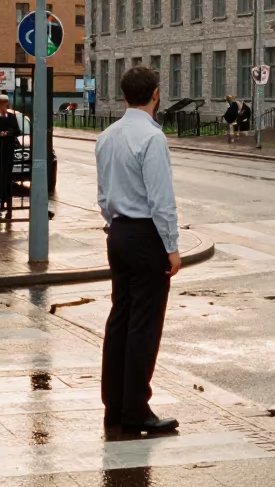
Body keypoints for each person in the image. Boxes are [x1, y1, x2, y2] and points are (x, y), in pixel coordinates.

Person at [96, 65, 181, 435]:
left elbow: (103, 194)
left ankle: (114, 406)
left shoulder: (107, 136)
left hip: (117, 233)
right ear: (156, 94)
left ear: (124, 95)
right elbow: (161, 200)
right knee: (144, 326)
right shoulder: (151, 138)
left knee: (120, 320)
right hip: (146, 237)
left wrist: (114, 223)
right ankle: (137, 408)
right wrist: (172, 247)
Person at [0, 94, 20, 220]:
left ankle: (8, 204)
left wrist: (9, 133)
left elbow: (17, 130)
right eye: (1, 103)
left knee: (7, 178)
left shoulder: (12, 117)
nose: (3, 106)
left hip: (8, 150)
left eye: (5, 103)